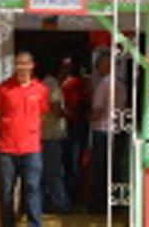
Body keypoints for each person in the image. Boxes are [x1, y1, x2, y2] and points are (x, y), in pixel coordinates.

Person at [0, 51, 49, 227]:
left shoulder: (41, 89)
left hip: (31, 148)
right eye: (18, 64)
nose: (22, 68)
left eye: (25, 64)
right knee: (6, 191)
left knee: (32, 188)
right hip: (7, 148)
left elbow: (43, 114)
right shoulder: (3, 89)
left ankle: (34, 224)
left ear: (32, 66)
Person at [89, 51, 128, 214]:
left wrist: (88, 118)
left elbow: (98, 110)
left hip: (103, 130)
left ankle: (99, 206)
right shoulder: (120, 83)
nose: (97, 68)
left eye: (99, 64)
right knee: (114, 169)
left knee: (100, 170)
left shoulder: (103, 84)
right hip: (118, 129)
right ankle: (115, 203)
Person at [55, 57, 87, 206]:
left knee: (73, 163)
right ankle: (60, 198)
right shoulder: (55, 83)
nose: (65, 69)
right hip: (57, 129)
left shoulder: (76, 83)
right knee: (58, 163)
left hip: (74, 127)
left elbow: (80, 105)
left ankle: (73, 198)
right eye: (63, 66)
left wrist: (68, 113)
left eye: (68, 66)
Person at [40, 73, 69, 214]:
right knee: (54, 172)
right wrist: (66, 113)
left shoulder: (40, 84)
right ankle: (60, 203)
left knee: (46, 172)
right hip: (50, 135)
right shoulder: (51, 83)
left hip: (45, 134)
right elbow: (55, 108)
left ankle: (49, 203)